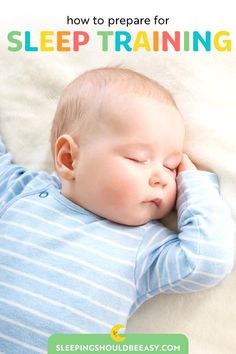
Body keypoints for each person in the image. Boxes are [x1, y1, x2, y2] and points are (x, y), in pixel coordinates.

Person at [0, 67, 234, 353]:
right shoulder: (21, 192)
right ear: (69, 158)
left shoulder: (145, 247)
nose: (162, 177)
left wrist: (193, 185)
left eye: (171, 166)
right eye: (138, 159)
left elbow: (208, 260)